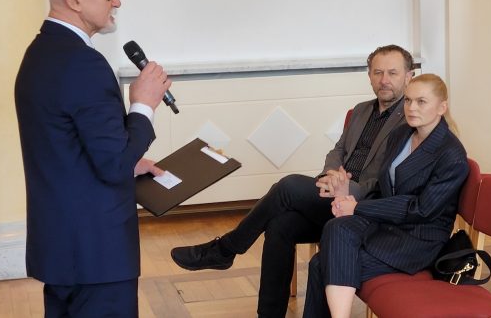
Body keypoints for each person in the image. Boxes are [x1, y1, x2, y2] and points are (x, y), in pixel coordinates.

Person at [170, 45, 413, 317]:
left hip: (364, 206)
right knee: (280, 225)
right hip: (333, 192)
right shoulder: (361, 110)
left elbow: (389, 179)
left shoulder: (410, 119)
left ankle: (226, 249)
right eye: (378, 72)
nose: (384, 80)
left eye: (392, 73)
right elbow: (338, 151)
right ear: (369, 76)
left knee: (288, 186)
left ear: (408, 77)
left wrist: (345, 189)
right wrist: (329, 176)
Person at [15, 0, 171, 317]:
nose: (117, 1)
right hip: (96, 252)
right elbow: (113, 165)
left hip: (61, 245)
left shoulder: (40, 52)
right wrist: (143, 105)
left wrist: (131, 162)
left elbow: (64, 145)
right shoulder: (83, 63)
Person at [303, 74, 469, 318]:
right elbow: (384, 187)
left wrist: (357, 208)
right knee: (336, 227)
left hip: (418, 240)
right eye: (408, 100)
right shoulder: (401, 134)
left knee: (320, 264)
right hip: (388, 225)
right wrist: (348, 197)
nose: (411, 108)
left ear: (441, 107)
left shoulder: (451, 155)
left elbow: (420, 209)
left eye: (421, 102)